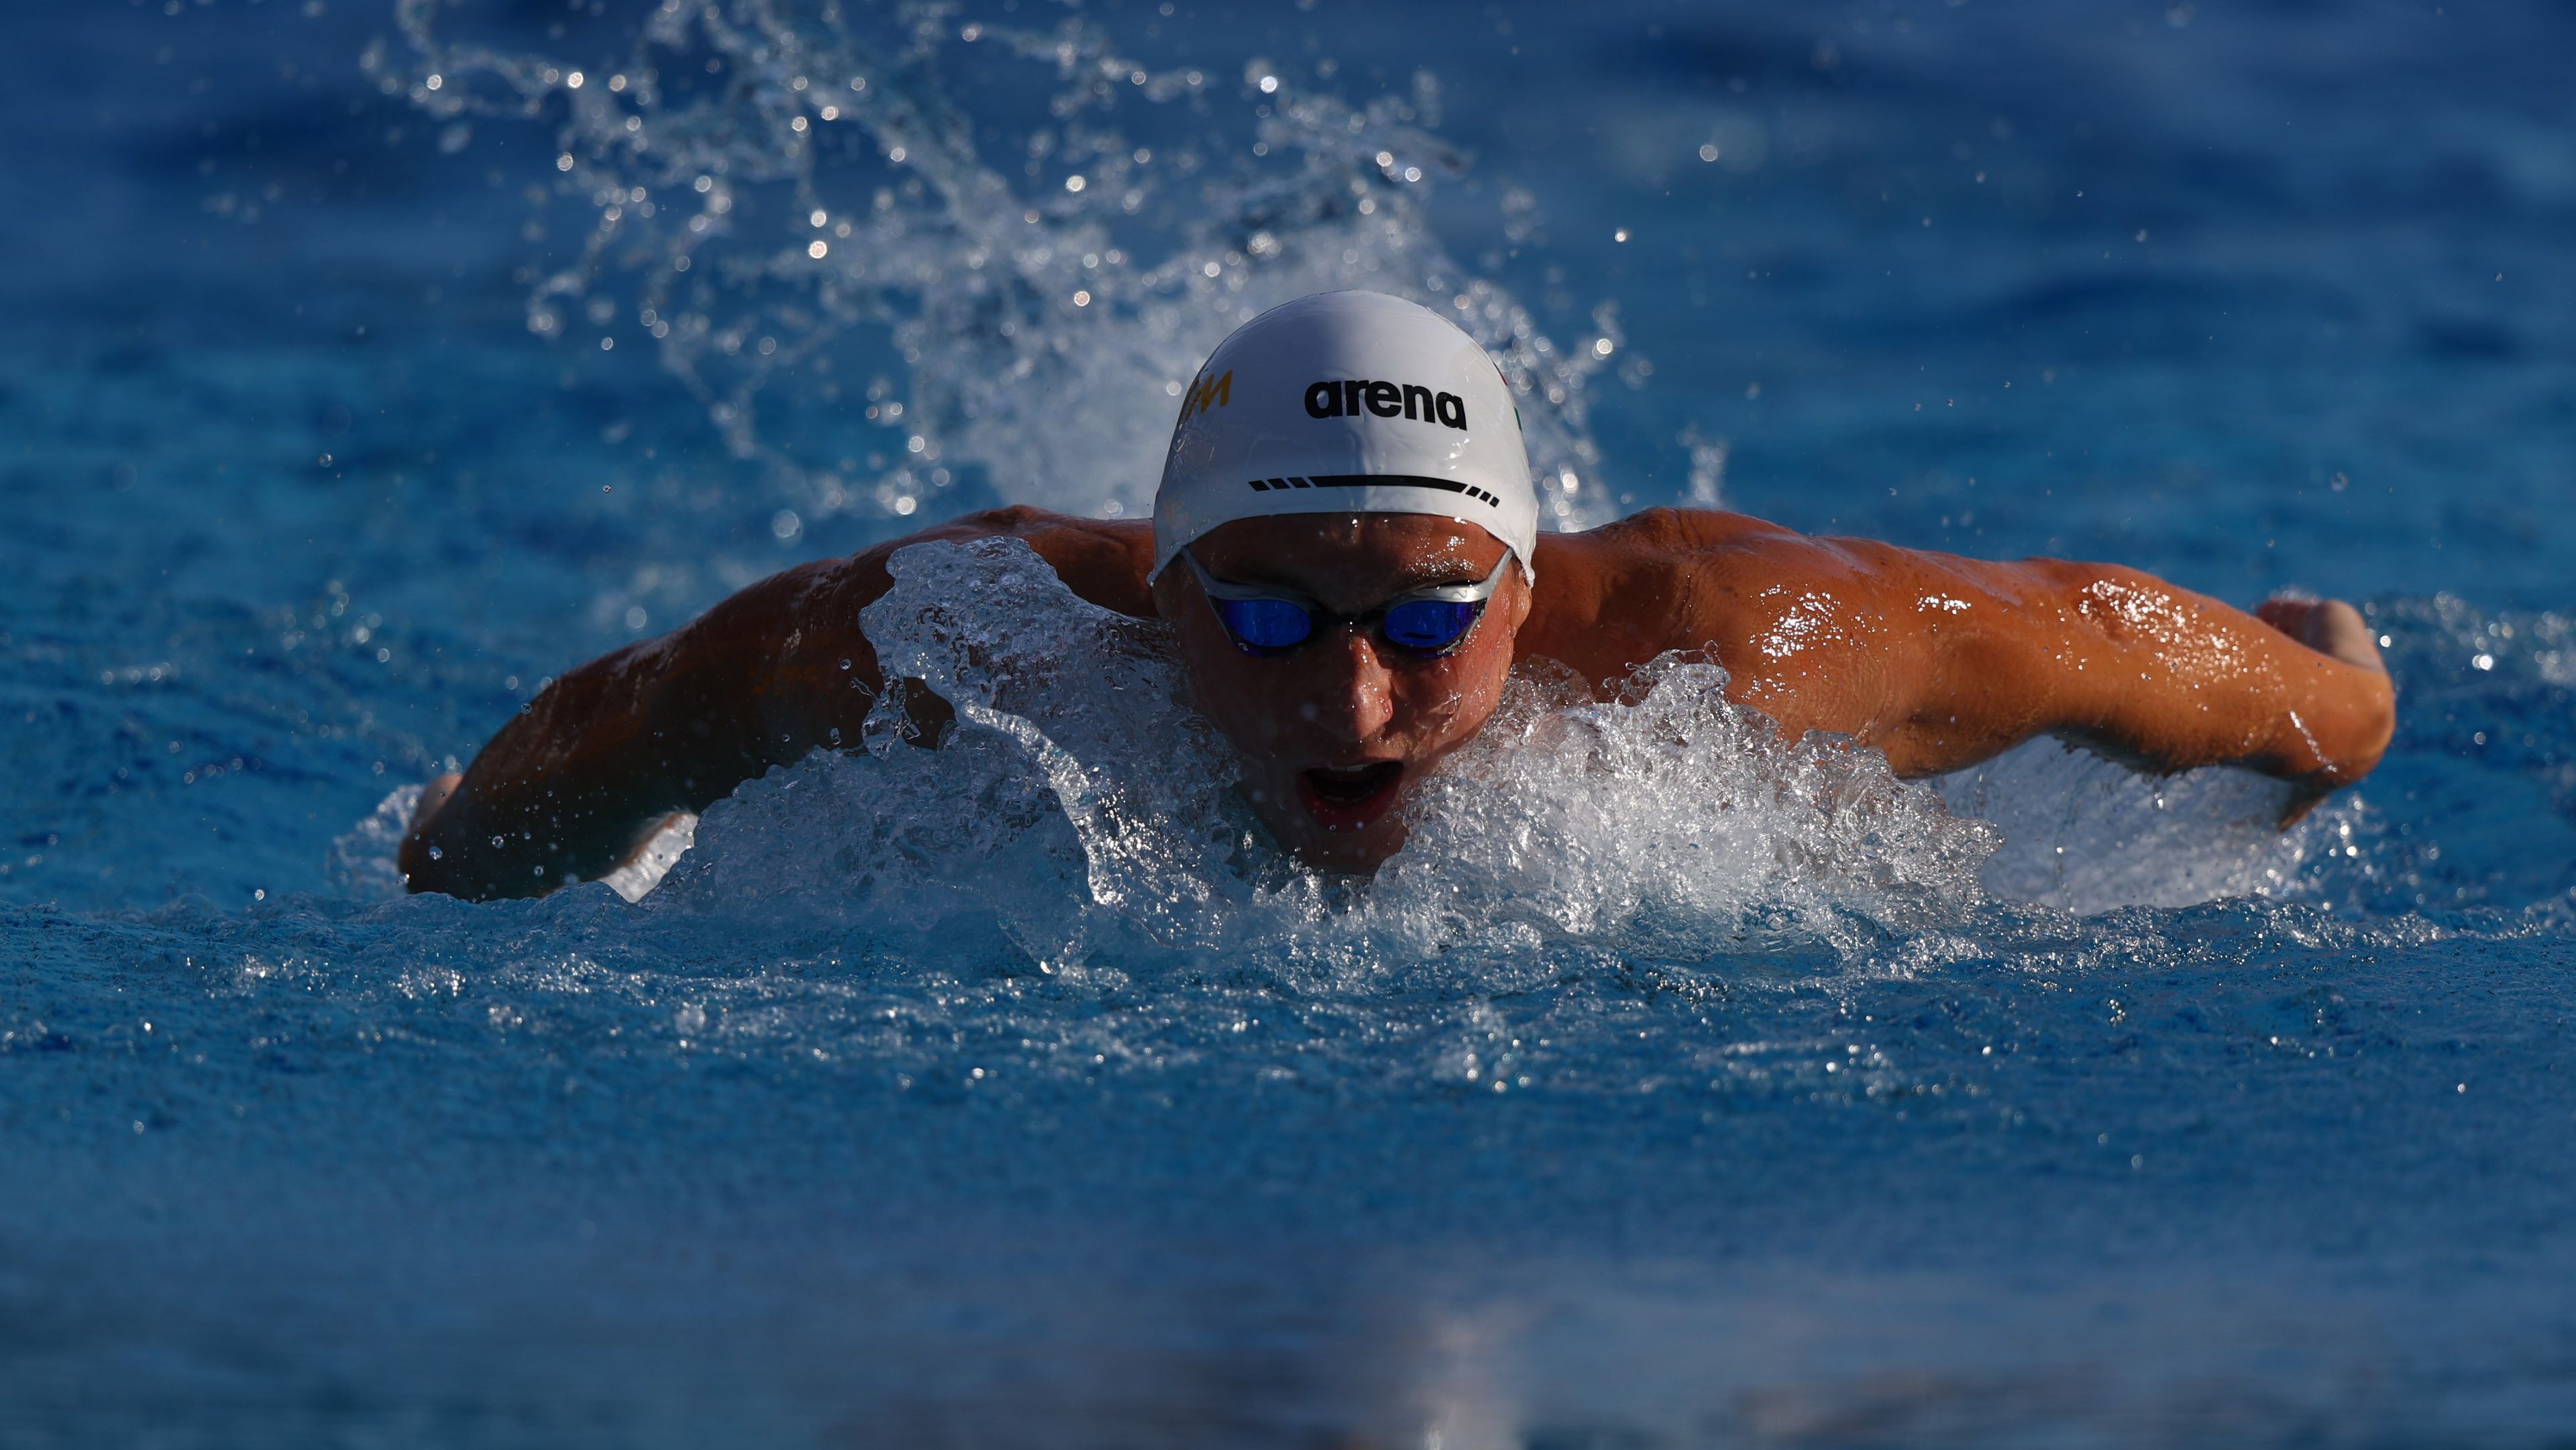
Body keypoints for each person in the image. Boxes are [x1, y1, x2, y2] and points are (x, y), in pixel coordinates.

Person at [400, 291, 2394, 899]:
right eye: (1263, 621)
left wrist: (2340, 705)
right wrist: (454, 881)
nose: (1347, 706)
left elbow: (2128, 645)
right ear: (1158, 588)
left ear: (1525, 584)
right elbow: (623, 726)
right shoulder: (964, 637)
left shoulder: (1729, 648)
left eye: (1430, 626)